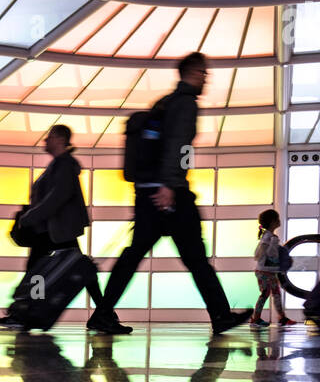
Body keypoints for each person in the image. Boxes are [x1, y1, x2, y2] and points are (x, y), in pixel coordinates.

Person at [91, 52, 253, 336]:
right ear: (192, 73)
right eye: (204, 73)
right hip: (169, 194)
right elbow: (180, 146)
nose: (206, 79)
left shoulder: (164, 103)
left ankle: (103, 313)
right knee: (194, 258)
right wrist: (169, 184)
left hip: (147, 193)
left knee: (136, 255)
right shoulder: (185, 104)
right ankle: (220, 315)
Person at [0, 123, 129, 333]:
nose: (45, 140)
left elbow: (56, 198)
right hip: (52, 230)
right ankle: (103, 315)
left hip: (55, 230)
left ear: (60, 139)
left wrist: (30, 217)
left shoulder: (64, 165)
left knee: (44, 271)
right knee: (76, 270)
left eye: (49, 137)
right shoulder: (58, 165)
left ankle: (24, 313)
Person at [250, 209, 297, 329]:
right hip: (264, 272)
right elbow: (268, 253)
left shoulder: (269, 236)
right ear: (272, 222)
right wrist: (275, 244)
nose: (279, 221)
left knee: (276, 294)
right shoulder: (269, 237)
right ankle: (255, 319)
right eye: (277, 219)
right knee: (265, 294)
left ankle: (282, 318)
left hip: (269, 272)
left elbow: (265, 253)